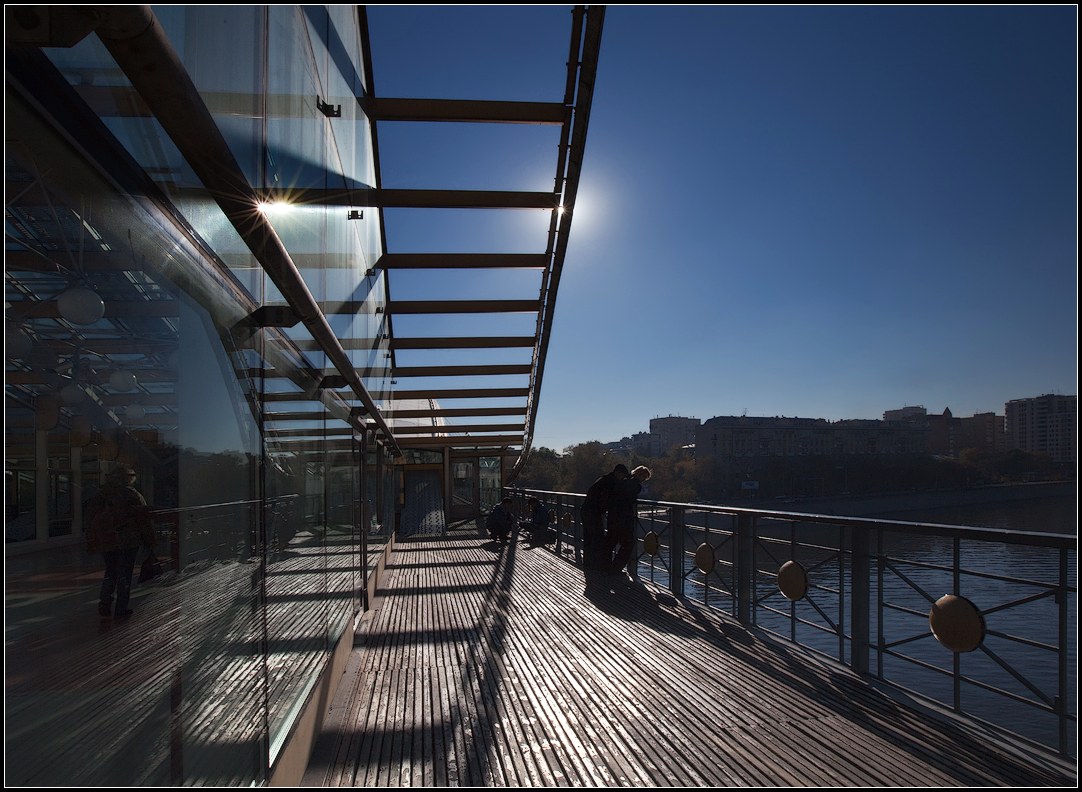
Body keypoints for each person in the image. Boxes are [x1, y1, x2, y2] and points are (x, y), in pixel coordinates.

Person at [84, 464, 154, 619]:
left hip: (106, 540)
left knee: (110, 571)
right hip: (128, 540)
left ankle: (105, 603)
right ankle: (121, 608)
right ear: (129, 479)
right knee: (125, 574)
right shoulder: (133, 495)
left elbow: (89, 517)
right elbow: (143, 519)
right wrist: (150, 540)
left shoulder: (101, 495)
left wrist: (92, 537)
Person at [605, 465, 652, 575]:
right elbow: (628, 499)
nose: (643, 480)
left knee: (611, 542)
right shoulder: (634, 485)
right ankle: (615, 568)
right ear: (640, 475)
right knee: (628, 543)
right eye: (644, 478)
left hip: (613, 516)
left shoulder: (624, 480)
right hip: (623, 519)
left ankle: (604, 566)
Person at [580, 464, 628, 569]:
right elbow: (608, 498)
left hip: (587, 510)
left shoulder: (604, 479)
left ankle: (588, 564)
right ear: (618, 473)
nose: (622, 478)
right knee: (597, 538)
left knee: (589, 538)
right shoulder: (611, 482)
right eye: (622, 476)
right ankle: (596, 565)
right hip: (593, 512)